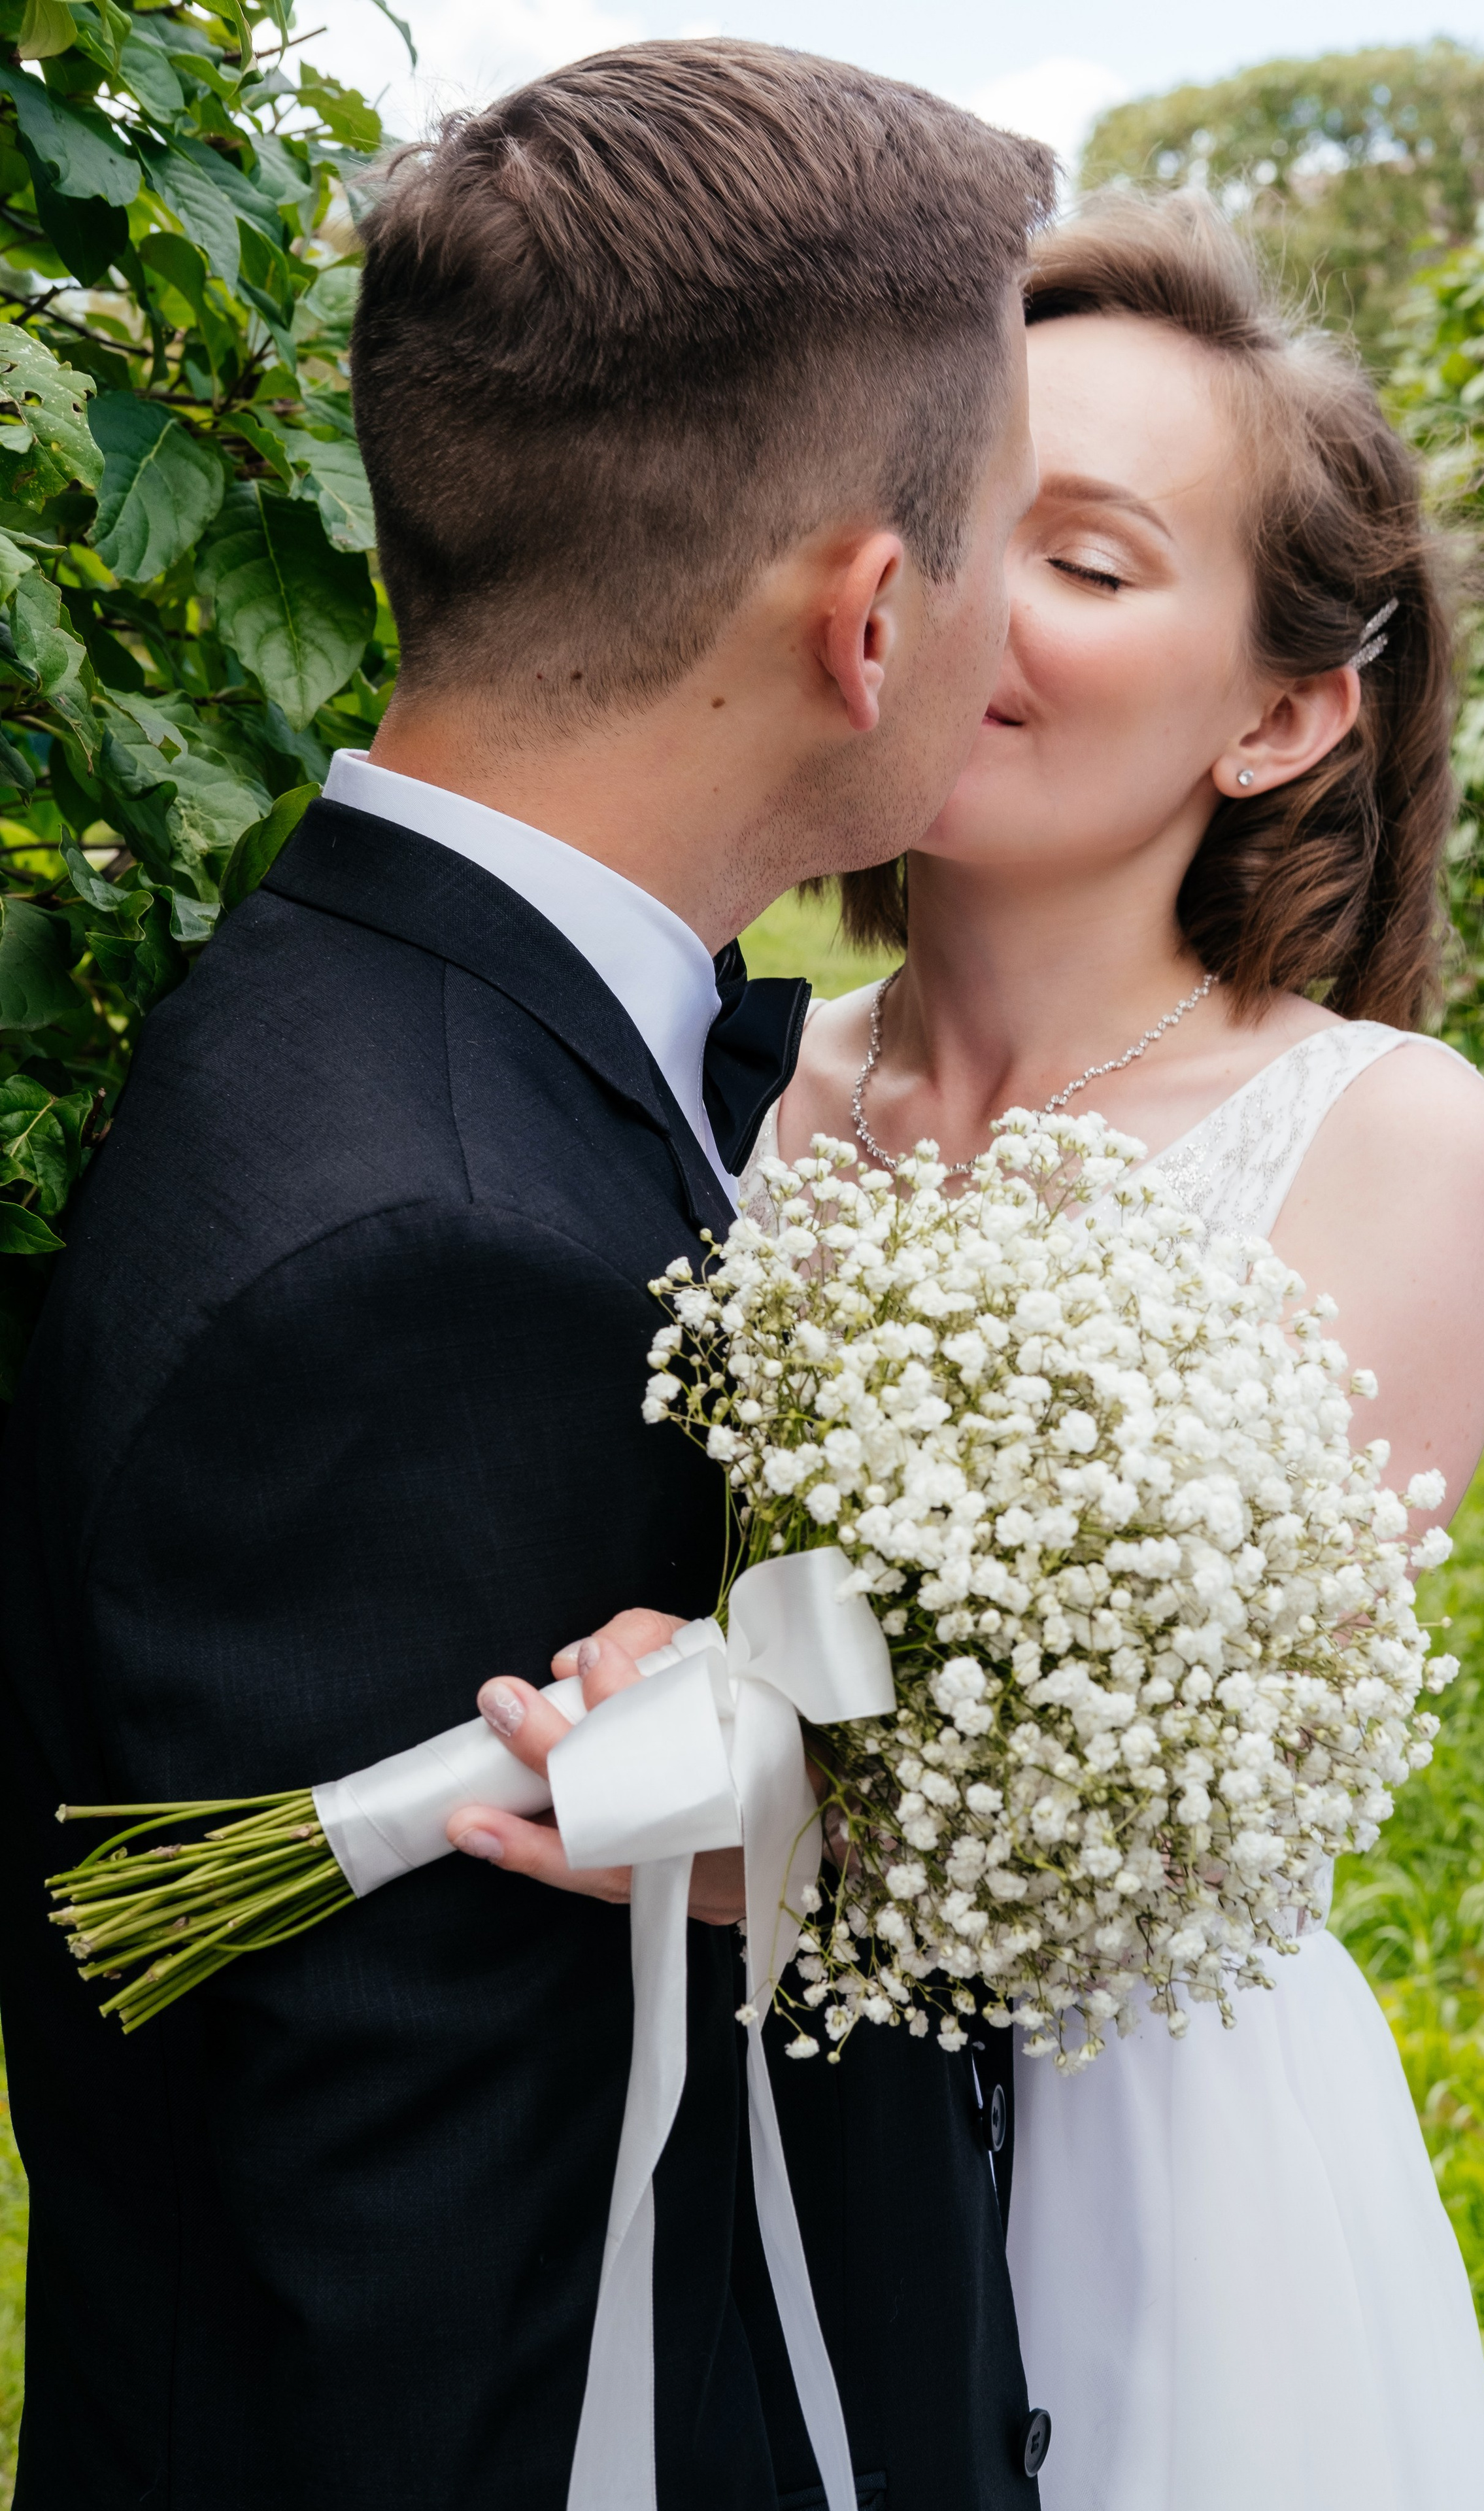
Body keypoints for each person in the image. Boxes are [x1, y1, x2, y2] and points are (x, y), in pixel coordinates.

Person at [0, 44, 1053, 2511]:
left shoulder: (391, 1022)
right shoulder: (430, 1259)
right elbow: (428, 2309)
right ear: (874, 616)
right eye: (1011, 543)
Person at [750, 191, 1484, 2509]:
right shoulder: (725, 1082)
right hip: (689, 2118)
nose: (977, 595)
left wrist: (719, 1806)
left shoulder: (1387, 1134)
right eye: (954, 520)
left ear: (1288, 712)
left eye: (1085, 563)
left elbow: (1196, 1800)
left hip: (1146, 2166)